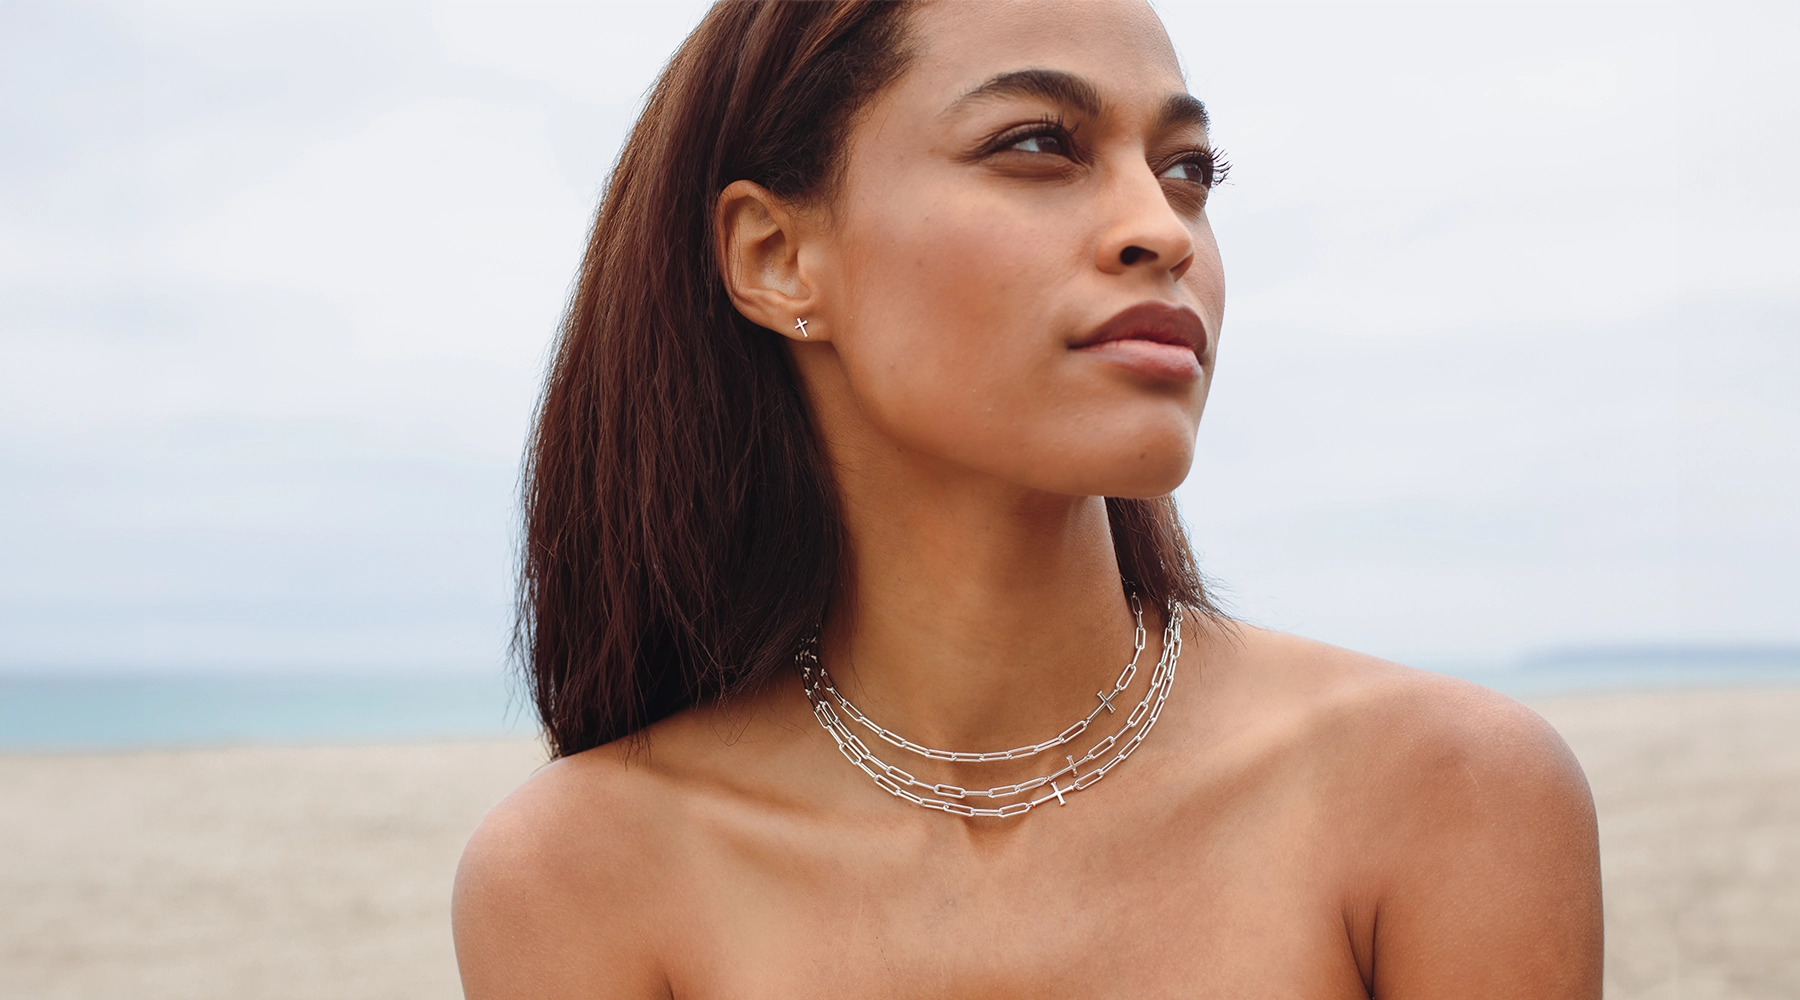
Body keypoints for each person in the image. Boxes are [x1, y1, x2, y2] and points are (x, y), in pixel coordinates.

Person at [452, 0, 1604, 994]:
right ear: (775, 256)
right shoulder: (585, 877)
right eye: (1038, 145)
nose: (1161, 228)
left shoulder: (1446, 794)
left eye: (1187, 170)